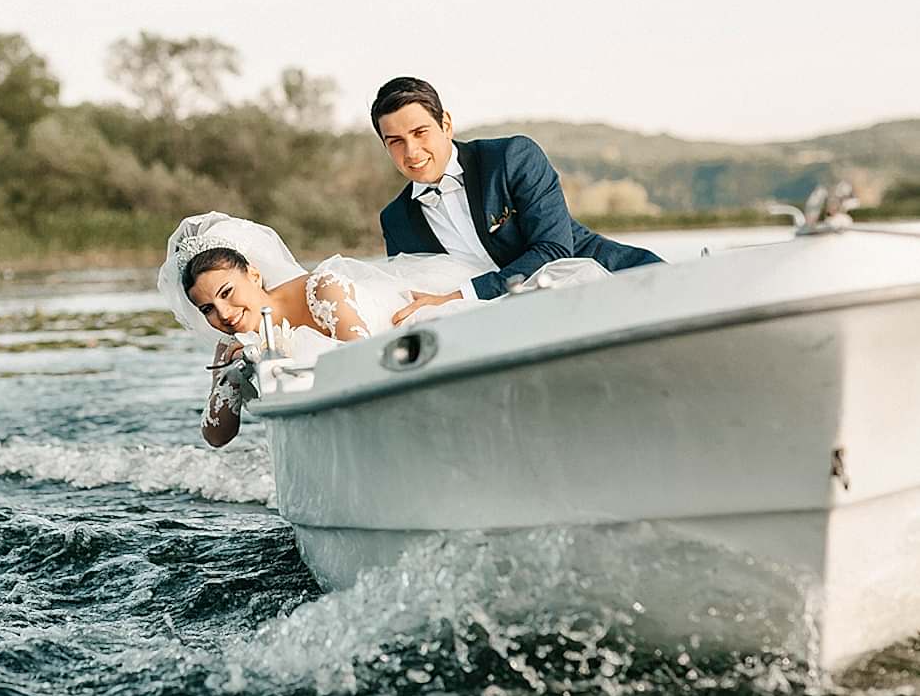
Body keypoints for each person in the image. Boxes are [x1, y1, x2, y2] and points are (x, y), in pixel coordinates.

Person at [159, 212, 607, 446]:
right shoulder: (231, 347)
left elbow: (363, 367)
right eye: (207, 308)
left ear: (254, 275)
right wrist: (234, 376)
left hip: (409, 360)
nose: (223, 313)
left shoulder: (322, 289)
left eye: (227, 292)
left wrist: (279, 362)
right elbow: (217, 437)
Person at [373, 76, 663, 323]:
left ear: (446, 124)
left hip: (614, 285)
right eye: (396, 141)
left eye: (420, 133)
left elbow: (554, 250)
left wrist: (459, 297)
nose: (411, 151)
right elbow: (415, 295)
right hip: (504, 332)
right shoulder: (396, 220)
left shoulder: (511, 158)